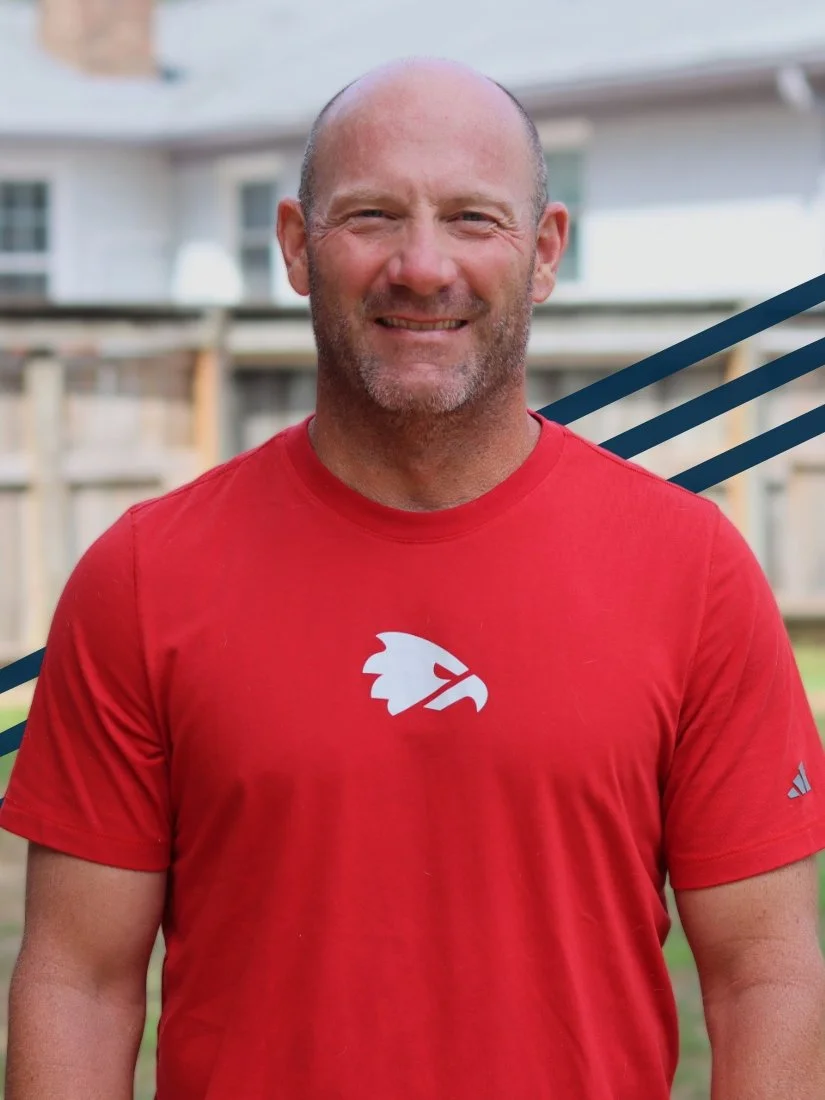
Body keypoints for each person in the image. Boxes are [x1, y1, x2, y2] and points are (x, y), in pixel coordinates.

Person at [2, 56, 825, 1100]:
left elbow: (766, 980)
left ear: (544, 252)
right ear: (298, 248)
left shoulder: (691, 570)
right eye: (373, 215)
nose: (423, 265)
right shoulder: (144, 577)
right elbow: (80, 981)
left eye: (475, 218)